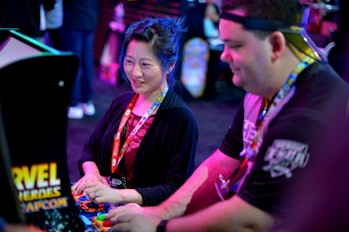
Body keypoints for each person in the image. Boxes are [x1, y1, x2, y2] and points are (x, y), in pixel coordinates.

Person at [104, 0, 349, 231]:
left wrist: (159, 226)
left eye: (234, 46)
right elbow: (224, 160)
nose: (223, 55)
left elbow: (251, 218)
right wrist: (160, 212)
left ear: (275, 45)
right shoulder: (260, 90)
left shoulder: (309, 111)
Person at [72, 17, 198, 207]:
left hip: (143, 217)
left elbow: (175, 189)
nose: (135, 72)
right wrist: (92, 174)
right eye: (129, 61)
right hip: (104, 206)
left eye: (145, 65)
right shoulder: (121, 103)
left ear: (169, 65)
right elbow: (90, 148)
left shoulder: (180, 119)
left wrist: (119, 196)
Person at [59, 0, 99, 119]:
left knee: (74, 62)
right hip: (90, 19)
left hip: (74, 20)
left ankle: (73, 103)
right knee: (87, 61)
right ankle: (87, 101)